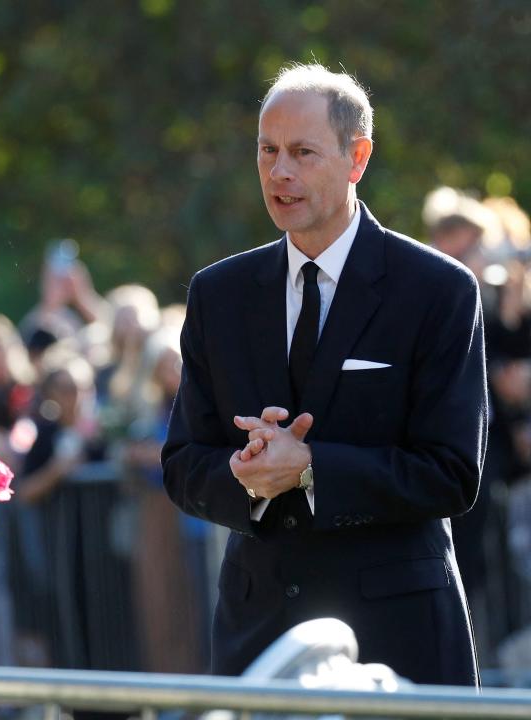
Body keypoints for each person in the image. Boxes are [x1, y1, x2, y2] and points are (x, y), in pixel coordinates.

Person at [162, 64, 487, 686]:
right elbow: (182, 463)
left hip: (395, 637)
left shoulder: (437, 290)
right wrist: (244, 475)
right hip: (258, 636)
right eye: (267, 150)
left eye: (302, 152)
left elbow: (452, 472)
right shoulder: (219, 294)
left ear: (356, 157)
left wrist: (310, 468)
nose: (279, 171)